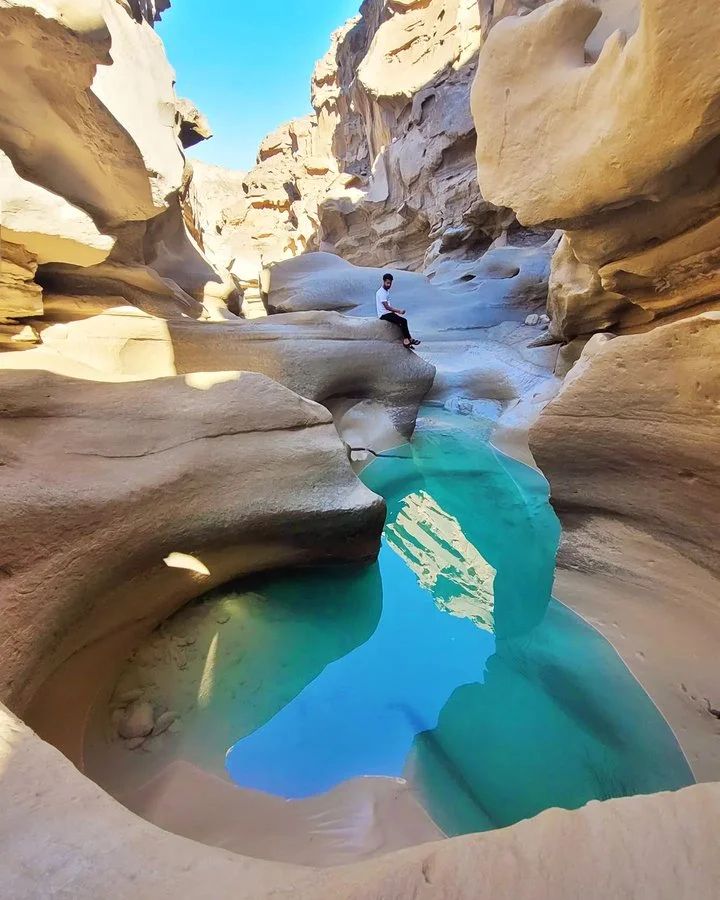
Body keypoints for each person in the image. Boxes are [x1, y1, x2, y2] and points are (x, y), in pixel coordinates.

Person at [375, 273, 420, 348]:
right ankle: (408, 340)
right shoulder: (381, 292)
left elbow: (388, 306)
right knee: (403, 321)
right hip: (384, 315)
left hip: (387, 313)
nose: (389, 285)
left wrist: (393, 312)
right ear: (384, 281)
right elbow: (386, 307)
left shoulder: (386, 291)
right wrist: (398, 311)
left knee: (400, 323)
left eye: (390, 283)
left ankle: (407, 341)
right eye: (387, 283)